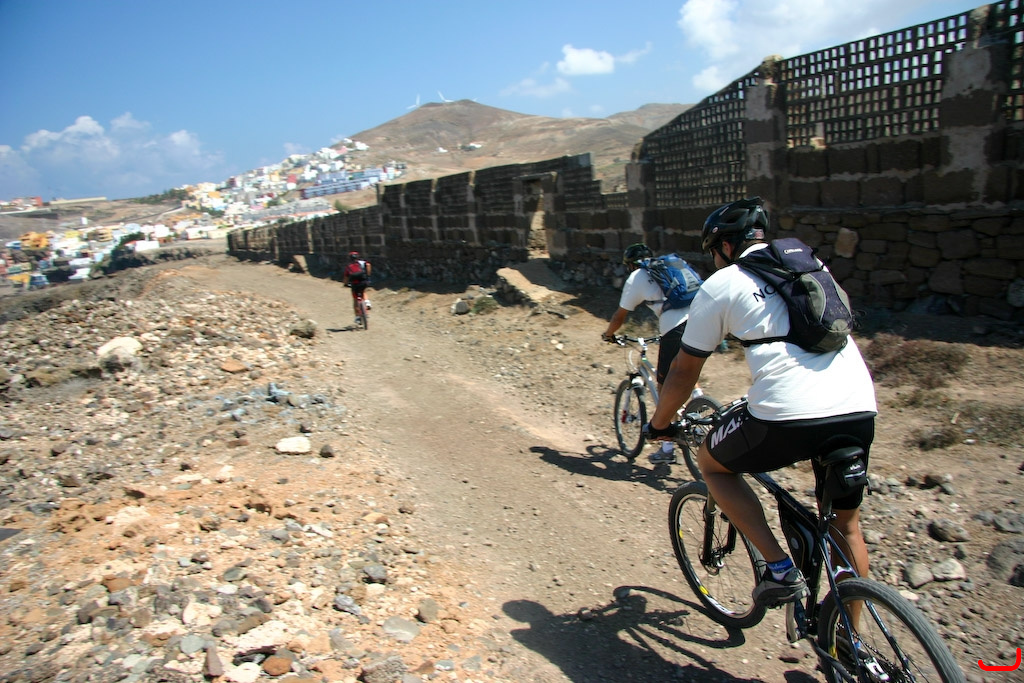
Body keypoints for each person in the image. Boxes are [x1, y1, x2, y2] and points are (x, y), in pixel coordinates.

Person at [645, 197, 877, 607]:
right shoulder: (811, 267)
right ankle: (849, 638)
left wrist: (660, 423)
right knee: (847, 527)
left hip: (787, 415)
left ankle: (779, 569)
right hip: (859, 406)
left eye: (713, 252)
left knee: (712, 463)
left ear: (725, 246)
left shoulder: (723, 283)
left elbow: (683, 370)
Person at [602, 243, 703, 465]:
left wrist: (608, 334)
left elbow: (619, 316)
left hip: (675, 325)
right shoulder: (665, 269)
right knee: (687, 369)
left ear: (630, 264)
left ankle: (667, 448)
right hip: (703, 317)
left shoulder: (636, 277)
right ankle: (701, 403)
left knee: (666, 386)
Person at [342, 251, 372, 323]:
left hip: (354, 284)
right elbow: (368, 265)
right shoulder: (362, 262)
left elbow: (346, 277)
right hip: (363, 281)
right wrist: (368, 275)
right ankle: (367, 302)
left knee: (355, 299)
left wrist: (345, 284)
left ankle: (357, 316)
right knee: (363, 291)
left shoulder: (348, 266)